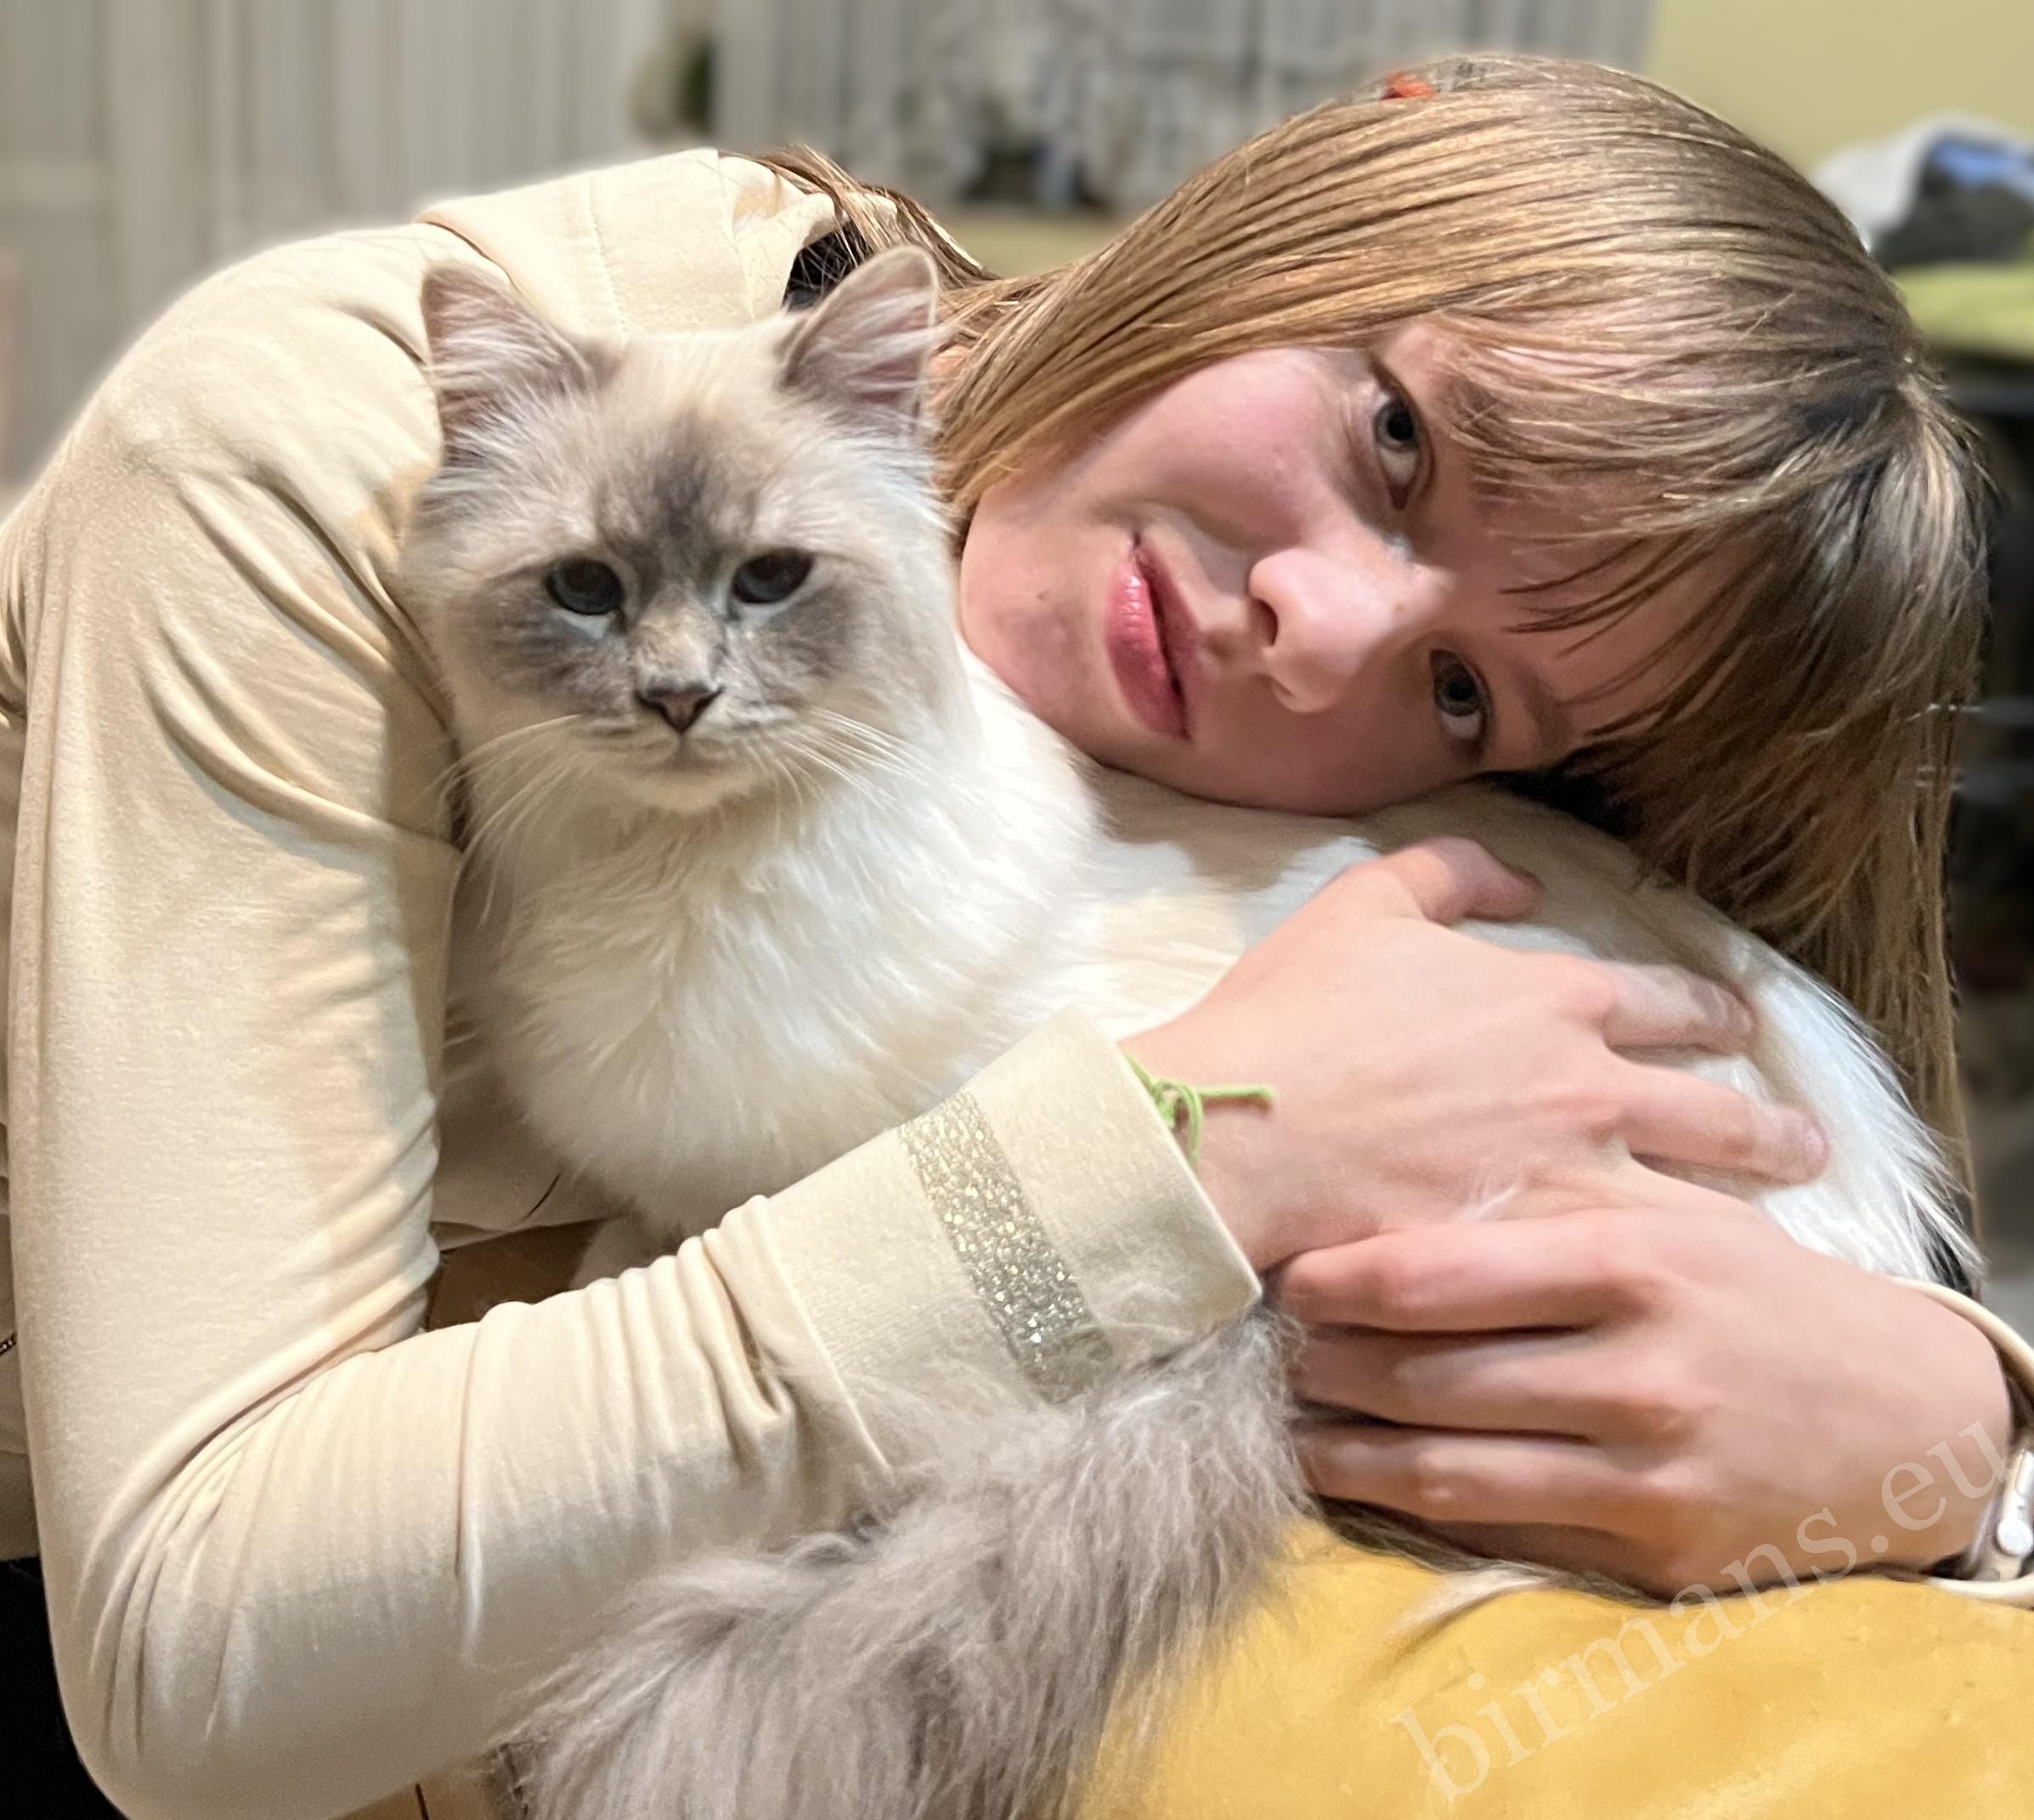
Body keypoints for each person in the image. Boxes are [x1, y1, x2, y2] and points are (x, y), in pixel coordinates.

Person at [0, 51, 2026, 1820]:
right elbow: (198, 1659)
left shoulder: (1118, 707)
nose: (1314, 637)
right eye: (1397, 438)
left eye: (1470, 698)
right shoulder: (298, 458)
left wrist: (1968, 1419)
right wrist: (1199, 1144)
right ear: (1330, 181)